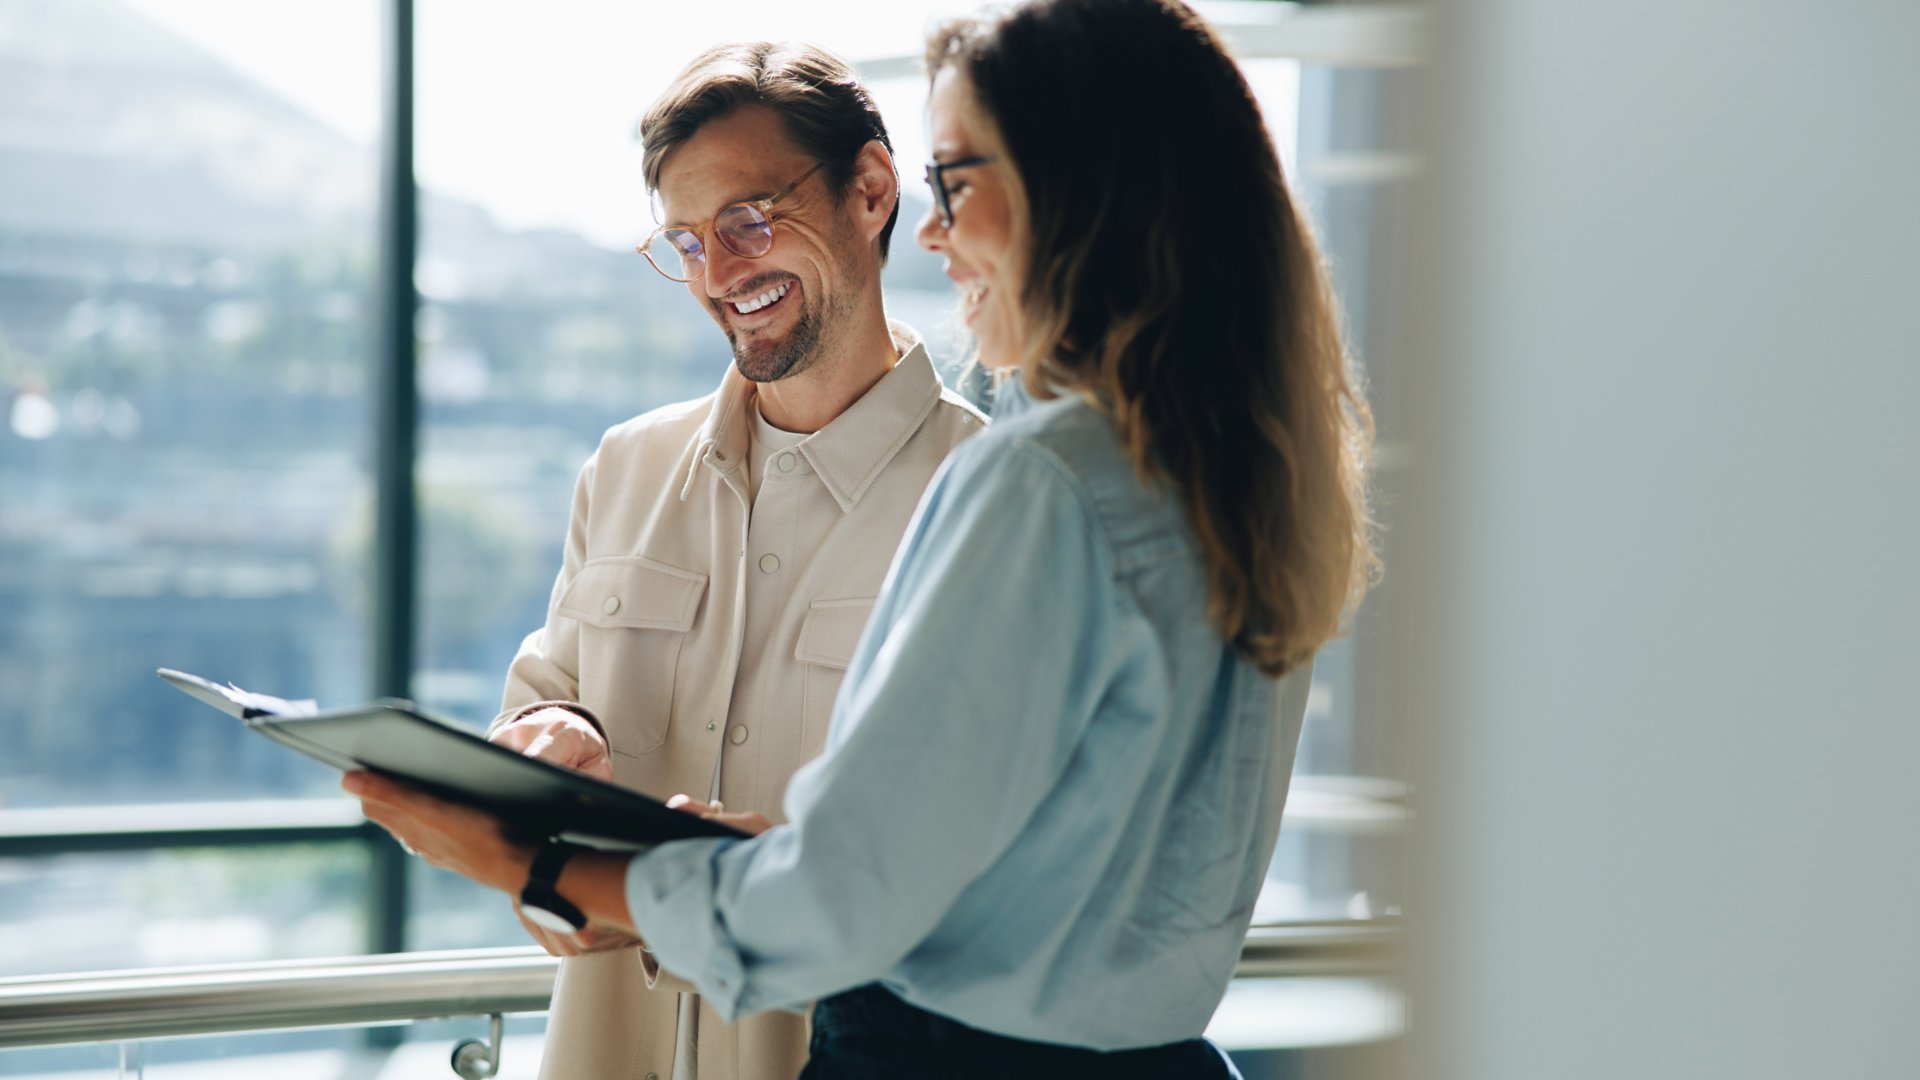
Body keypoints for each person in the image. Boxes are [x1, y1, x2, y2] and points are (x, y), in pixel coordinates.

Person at [347, 0, 1376, 1075]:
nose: (936, 235)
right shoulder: (1225, 489)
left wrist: (534, 864)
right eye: (687, 242)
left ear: (1082, 195)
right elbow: (1021, 867)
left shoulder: (1030, 482)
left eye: (959, 185)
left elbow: (843, 904)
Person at [479, 41, 986, 1080]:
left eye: (750, 221)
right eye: (686, 241)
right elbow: (538, 720)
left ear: (873, 190)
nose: (720, 273)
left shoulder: (990, 496)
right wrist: (548, 739)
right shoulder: (624, 469)